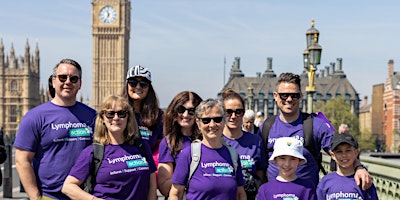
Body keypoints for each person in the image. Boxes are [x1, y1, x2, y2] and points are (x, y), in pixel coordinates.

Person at [259, 72, 372, 189]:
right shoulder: (266, 127)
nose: (289, 99)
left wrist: (359, 168)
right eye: (284, 95)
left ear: (301, 96)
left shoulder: (315, 126)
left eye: (294, 95)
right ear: (275, 96)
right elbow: (259, 167)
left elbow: (342, 151)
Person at [14, 58, 96, 199]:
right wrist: (35, 197)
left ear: (80, 84)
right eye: (62, 77)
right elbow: (22, 160)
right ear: (53, 81)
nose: (68, 82)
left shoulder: (92, 116)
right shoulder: (34, 117)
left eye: (74, 78)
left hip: (84, 195)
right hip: (49, 196)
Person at [62, 95, 157, 200]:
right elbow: (68, 187)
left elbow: (152, 183)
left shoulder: (141, 146)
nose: (116, 118)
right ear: (102, 118)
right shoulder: (93, 152)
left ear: (128, 117)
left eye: (121, 113)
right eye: (110, 114)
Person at [169, 98, 246, 200]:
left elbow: (240, 193)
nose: (212, 125)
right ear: (198, 123)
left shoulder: (232, 154)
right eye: (206, 120)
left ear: (224, 121)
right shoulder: (189, 154)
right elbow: (175, 193)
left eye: (217, 119)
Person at [221, 89, 267, 200]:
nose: (233, 116)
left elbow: (261, 175)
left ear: (243, 113)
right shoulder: (214, 141)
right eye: (228, 112)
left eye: (238, 112)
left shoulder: (255, 141)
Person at [158, 91, 203, 197]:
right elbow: (164, 186)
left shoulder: (207, 140)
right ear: (174, 112)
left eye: (191, 111)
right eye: (181, 110)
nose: (185, 115)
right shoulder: (168, 142)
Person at [317, 133, 379, 200]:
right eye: (339, 152)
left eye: (348, 151)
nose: (344, 155)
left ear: (356, 153)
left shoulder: (364, 181)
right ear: (333, 155)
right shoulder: (325, 182)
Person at [122, 65, 163, 153]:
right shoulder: (118, 114)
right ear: (127, 85)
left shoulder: (158, 116)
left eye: (143, 84)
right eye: (133, 82)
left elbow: (159, 149)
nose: (138, 87)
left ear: (149, 87)